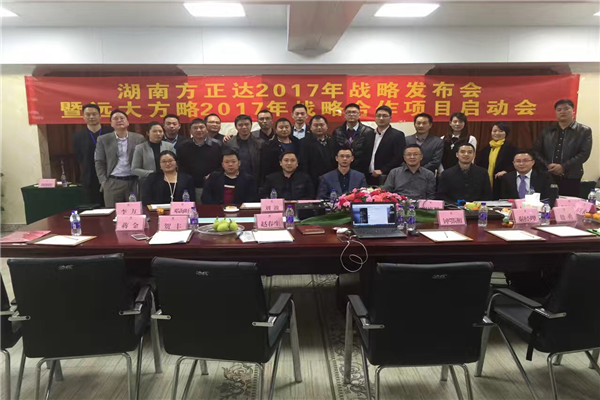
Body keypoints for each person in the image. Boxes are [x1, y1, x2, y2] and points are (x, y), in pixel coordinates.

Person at [533, 99, 593, 197]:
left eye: (566, 109)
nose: (562, 112)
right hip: (548, 175)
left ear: (573, 111)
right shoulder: (547, 131)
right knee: (545, 202)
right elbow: (536, 151)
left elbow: (584, 154)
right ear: (555, 113)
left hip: (571, 176)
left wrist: (563, 167)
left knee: (568, 203)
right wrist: (548, 165)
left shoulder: (584, 131)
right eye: (559, 109)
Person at [95, 109, 146, 207]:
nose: (119, 120)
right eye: (115, 119)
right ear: (111, 124)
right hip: (113, 182)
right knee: (112, 212)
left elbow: (144, 159)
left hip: (134, 181)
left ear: (128, 122)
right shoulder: (103, 139)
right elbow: (99, 161)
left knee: (134, 212)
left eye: (122, 118)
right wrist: (103, 181)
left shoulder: (139, 138)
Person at [73, 103, 113, 205]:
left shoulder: (111, 133)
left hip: (109, 176)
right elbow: (79, 157)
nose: (91, 117)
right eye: (88, 114)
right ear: (83, 117)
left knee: (110, 207)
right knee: (92, 207)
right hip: (89, 177)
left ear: (100, 116)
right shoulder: (78, 136)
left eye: (94, 114)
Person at [176, 118, 222, 202]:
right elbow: (180, 166)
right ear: (190, 131)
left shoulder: (217, 145)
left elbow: (222, 164)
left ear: (206, 129)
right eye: (195, 128)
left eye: (201, 127)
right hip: (191, 186)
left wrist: (213, 174)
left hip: (213, 184)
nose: (199, 130)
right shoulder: (183, 146)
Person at [476, 122, 517, 199]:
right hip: (486, 181)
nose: (497, 133)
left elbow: (516, 164)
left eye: (500, 131)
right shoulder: (486, 148)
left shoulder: (511, 148)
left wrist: (506, 171)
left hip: (502, 181)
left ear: (506, 133)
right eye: (494, 131)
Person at [131, 122, 175, 194]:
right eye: (155, 131)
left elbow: (175, 163)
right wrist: (153, 173)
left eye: (160, 131)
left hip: (167, 181)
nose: (158, 134)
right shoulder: (140, 148)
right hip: (147, 183)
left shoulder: (169, 146)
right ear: (148, 133)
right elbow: (134, 169)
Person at [332, 103, 375, 176]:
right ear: (344, 115)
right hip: (342, 170)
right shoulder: (337, 132)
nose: (351, 114)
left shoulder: (368, 132)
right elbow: (334, 151)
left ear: (359, 115)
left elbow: (369, 154)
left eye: (354, 112)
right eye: (348, 112)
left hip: (362, 171)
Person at [367, 105, 406, 185]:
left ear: (390, 118)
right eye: (378, 116)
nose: (381, 118)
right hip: (368, 175)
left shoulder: (397, 135)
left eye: (384, 116)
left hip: (386, 176)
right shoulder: (369, 134)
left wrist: (383, 170)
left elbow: (399, 157)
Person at [300, 115, 336, 190]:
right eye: (316, 125)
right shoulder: (304, 142)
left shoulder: (333, 140)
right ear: (310, 127)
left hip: (331, 179)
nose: (319, 127)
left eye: (321, 125)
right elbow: (303, 164)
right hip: (312, 180)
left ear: (327, 126)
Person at [260, 118, 301, 183]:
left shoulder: (297, 143)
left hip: (296, 178)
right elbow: (265, 167)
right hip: (275, 178)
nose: (284, 129)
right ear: (276, 130)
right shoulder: (268, 146)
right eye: (281, 127)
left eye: (286, 127)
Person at [224, 114, 264, 180]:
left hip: (256, 178)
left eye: (247, 124)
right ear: (236, 127)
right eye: (240, 125)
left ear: (251, 125)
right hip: (235, 179)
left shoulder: (260, 143)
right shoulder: (229, 143)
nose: (244, 127)